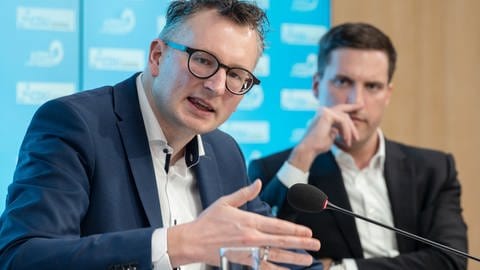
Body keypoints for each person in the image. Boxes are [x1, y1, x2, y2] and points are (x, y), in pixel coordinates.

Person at [0, 1, 323, 269]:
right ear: (157, 56)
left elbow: (276, 254)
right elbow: (23, 256)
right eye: (202, 60)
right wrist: (176, 244)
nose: (216, 86)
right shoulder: (77, 124)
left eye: (236, 75)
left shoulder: (225, 152)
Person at [248, 22, 468, 270]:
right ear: (317, 86)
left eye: (372, 86)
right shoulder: (273, 170)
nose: (357, 101)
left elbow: (452, 261)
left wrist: (337, 268)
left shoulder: (434, 170)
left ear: (388, 94)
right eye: (343, 82)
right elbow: (259, 254)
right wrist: (304, 154)